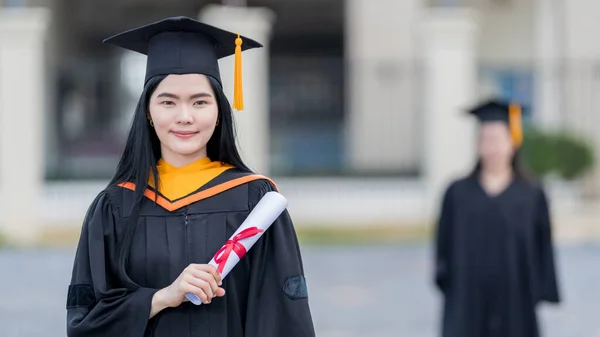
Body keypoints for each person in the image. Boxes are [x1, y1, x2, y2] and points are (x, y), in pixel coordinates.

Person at [66, 16, 315, 337]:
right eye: (168, 102)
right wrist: (160, 298)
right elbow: (85, 322)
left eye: (200, 102)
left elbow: (282, 317)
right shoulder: (115, 206)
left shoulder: (255, 202)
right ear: (148, 113)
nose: (185, 117)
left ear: (219, 111)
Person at [433, 99, 561, 337]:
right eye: (484, 140)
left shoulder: (531, 194)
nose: (491, 148)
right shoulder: (457, 193)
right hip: (467, 301)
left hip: (516, 300)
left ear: (513, 142)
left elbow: (542, 247)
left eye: (497, 140)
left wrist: (541, 288)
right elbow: (443, 247)